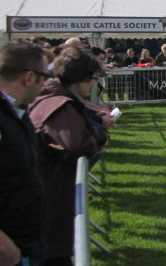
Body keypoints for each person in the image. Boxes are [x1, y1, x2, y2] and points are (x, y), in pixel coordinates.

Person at [29, 47, 108, 265]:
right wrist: (96, 140)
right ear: (80, 79)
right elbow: (76, 143)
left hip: (47, 196)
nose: (92, 84)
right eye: (92, 78)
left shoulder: (53, 97)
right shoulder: (59, 104)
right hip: (49, 200)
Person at [0, 41, 49, 266]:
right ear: (29, 77)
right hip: (10, 250)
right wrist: (6, 249)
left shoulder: (16, 110)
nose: (47, 83)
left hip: (26, 239)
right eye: (45, 76)